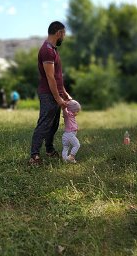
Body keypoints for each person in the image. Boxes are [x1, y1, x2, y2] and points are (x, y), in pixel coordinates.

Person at [29, 21, 72, 165]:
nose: (64, 37)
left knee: (53, 125)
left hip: (55, 93)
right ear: (58, 33)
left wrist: (64, 92)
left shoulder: (53, 49)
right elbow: (50, 77)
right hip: (48, 94)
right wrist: (57, 98)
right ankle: (34, 156)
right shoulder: (47, 50)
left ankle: (49, 149)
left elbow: (58, 76)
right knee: (44, 124)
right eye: (64, 34)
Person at [62, 99, 81, 164]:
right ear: (72, 110)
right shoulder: (68, 115)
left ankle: (65, 160)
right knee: (77, 145)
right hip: (69, 134)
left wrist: (76, 128)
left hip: (66, 135)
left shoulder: (72, 116)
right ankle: (71, 157)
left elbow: (72, 124)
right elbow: (65, 113)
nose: (77, 113)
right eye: (77, 111)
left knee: (66, 147)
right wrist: (64, 108)